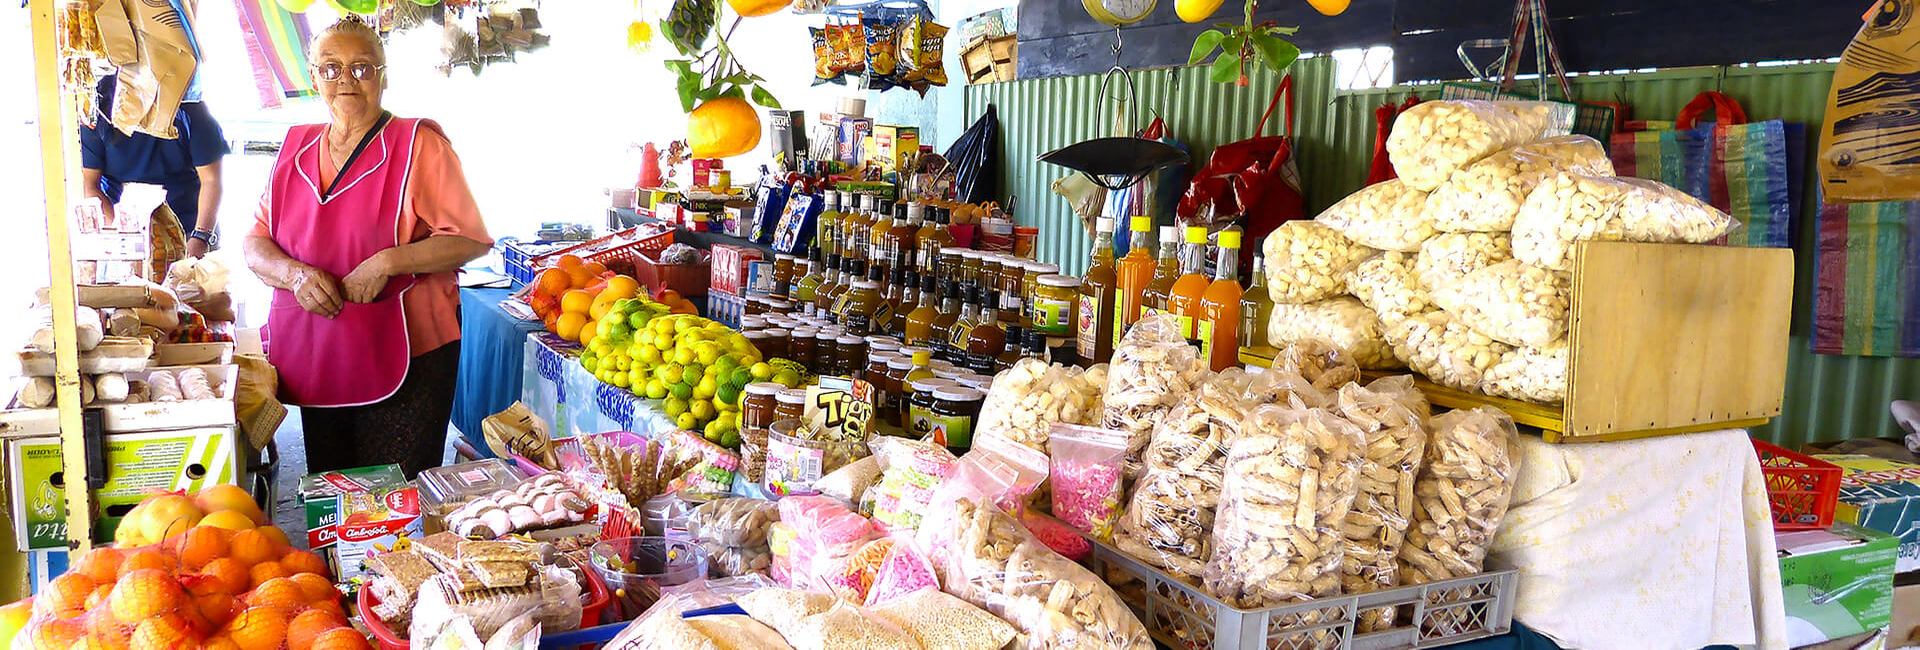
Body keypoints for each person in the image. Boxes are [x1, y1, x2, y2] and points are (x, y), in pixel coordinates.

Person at [243, 16, 491, 477]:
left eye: (362, 67)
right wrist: (295, 274)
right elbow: (256, 242)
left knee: (391, 495)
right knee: (332, 489)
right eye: (331, 68)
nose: (345, 80)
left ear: (384, 76)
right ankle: (332, 555)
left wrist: (388, 261)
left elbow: (470, 239)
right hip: (320, 350)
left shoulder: (419, 144)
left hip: (410, 354)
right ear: (314, 76)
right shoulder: (294, 149)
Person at [80, 73, 229, 277]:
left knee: (194, 299)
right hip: (123, 227)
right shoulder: (99, 106)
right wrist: (121, 238)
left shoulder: (189, 106)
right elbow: (90, 185)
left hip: (189, 226)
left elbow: (211, 180)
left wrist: (200, 237)